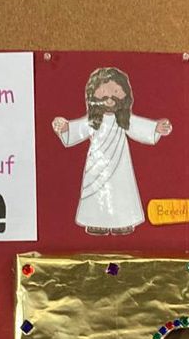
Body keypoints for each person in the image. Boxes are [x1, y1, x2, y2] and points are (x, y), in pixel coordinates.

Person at [53, 66, 172, 235]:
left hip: (120, 164)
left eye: (116, 92)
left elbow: (138, 127)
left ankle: (123, 221)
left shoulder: (124, 120)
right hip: (97, 165)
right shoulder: (93, 121)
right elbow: (77, 130)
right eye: (103, 93)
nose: (109, 98)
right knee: (96, 192)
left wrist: (155, 128)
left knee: (121, 189)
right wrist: (65, 127)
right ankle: (95, 222)